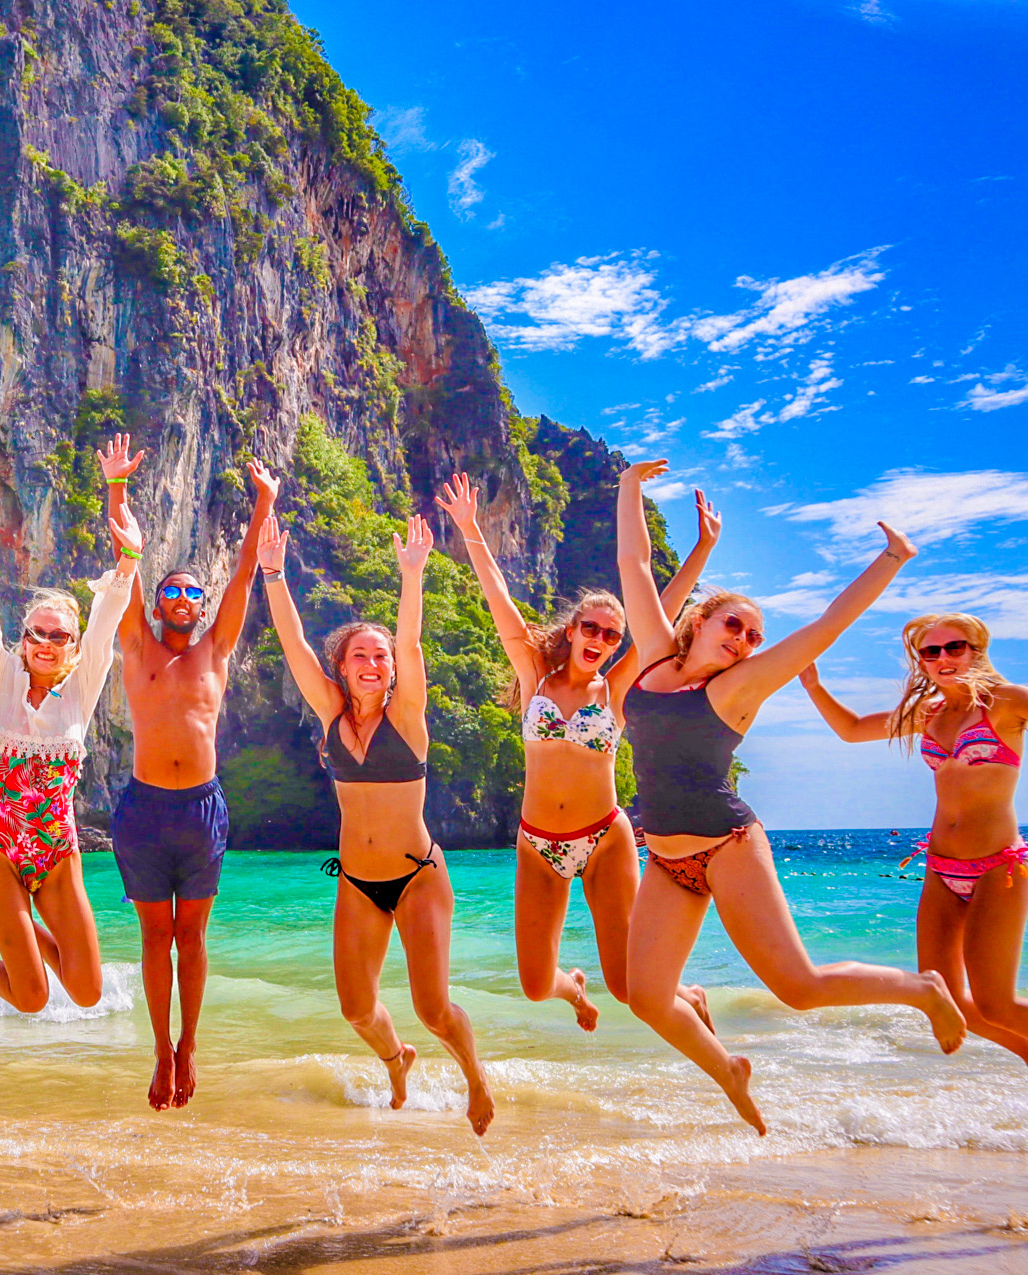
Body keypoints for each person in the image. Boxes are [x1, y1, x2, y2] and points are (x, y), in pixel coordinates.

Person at [613, 459, 963, 1134]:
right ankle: (730, 1070)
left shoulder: (736, 690)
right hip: (665, 859)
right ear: (701, 620)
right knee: (649, 999)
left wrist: (891, 559)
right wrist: (629, 488)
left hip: (727, 844)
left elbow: (825, 627)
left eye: (753, 636)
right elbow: (633, 563)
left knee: (798, 986)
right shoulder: (656, 658)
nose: (745, 640)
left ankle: (923, 990)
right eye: (735, 625)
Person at [800, 615, 1028, 1112]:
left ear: (976, 650)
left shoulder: (1006, 703)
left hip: (1001, 867)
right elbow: (850, 730)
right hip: (942, 870)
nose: (944, 659)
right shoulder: (928, 714)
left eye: (955, 648)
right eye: (931, 653)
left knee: (997, 1002)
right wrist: (814, 684)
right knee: (950, 1003)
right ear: (920, 661)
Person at [436, 473, 719, 1032]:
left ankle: (690, 991)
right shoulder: (534, 678)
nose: (602, 639)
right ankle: (575, 991)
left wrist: (703, 548)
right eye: (592, 627)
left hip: (603, 838)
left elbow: (662, 610)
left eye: (613, 635)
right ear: (572, 630)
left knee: (628, 984)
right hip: (537, 842)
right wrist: (470, 529)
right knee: (537, 986)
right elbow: (499, 602)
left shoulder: (615, 691)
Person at [258, 510, 496, 1128]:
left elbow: (412, 641)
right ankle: (397, 1060)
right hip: (358, 882)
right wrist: (274, 575)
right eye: (360, 654)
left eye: (381, 657)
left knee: (434, 1006)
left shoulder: (409, 716)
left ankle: (475, 1078)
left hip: (418, 875)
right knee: (356, 1010)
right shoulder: (333, 717)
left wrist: (411, 575)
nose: (372, 663)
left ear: (392, 670)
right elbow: (294, 646)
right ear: (343, 666)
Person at [103, 438, 275, 1111]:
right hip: (143, 811)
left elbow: (243, 576)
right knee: (154, 937)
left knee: (192, 936)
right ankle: (158, 1049)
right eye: (170, 587)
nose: (180, 594)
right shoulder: (137, 643)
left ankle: (191, 1045)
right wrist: (117, 491)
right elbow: (126, 562)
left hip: (202, 810)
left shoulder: (217, 648)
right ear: (157, 601)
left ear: (201, 604)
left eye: (190, 589)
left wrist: (264, 502)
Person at [0, 470, 138, 1012]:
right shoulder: (1, 676)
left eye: (59, 636)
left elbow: (107, 621)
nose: (46, 642)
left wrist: (129, 560)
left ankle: (1, 933)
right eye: (36, 633)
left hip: (57, 852)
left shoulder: (82, 690)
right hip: (0, 851)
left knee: (87, 992)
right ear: (23, 641)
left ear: (73, 648)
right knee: (30, 999)